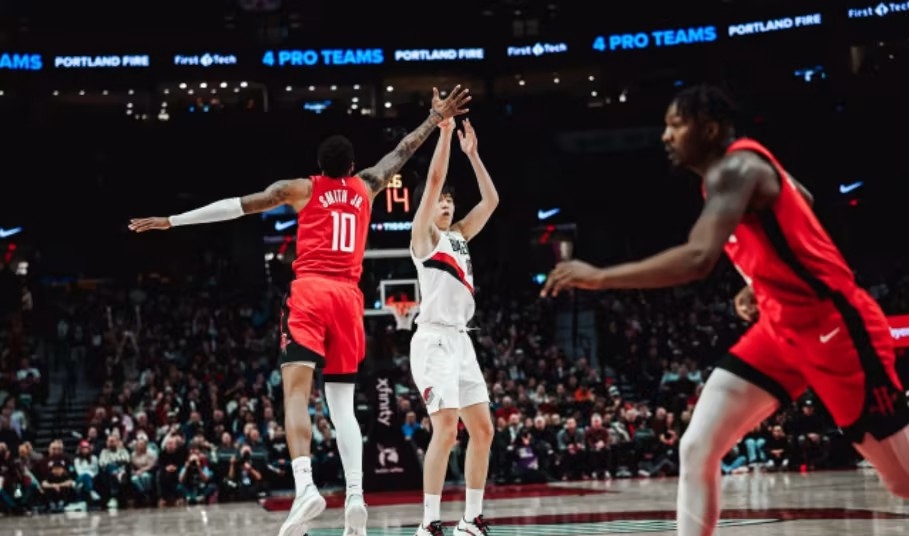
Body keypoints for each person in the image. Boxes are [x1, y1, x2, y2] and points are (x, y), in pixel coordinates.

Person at [541, 84, 909, 536]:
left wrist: (598, 277)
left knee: (901, 481)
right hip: (780, 329)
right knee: (697, 445)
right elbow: (803, 198)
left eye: (676, 125)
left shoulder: (736, 168)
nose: (665, 135)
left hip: (836, 329)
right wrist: (760, 282)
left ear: (710, 129)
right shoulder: (735, 173)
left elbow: (698, 259)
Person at [128, 85, 471, 536]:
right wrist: (434, 119)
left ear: (320, 166)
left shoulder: (301, 189)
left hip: (310, 293)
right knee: (343, 405)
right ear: (352, 166)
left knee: (295, 394)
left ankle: (305, 486)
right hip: (349, 299)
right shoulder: (368, 185)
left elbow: (237, 207)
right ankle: (355, 496)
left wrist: (172, 221)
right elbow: (403, 149)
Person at [409, 118, 498, 536]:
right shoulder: (423, 237)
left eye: (449, 200)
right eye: (440, 200)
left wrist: (473, 155)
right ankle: (429, 524)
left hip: (462, 340)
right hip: (433, 341)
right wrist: (444, 134)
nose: (445, 204)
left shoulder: (460, 233)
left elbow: (492, 201)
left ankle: (471, 520)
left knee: (483, 429)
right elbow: (432, 180)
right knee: (445, 430)